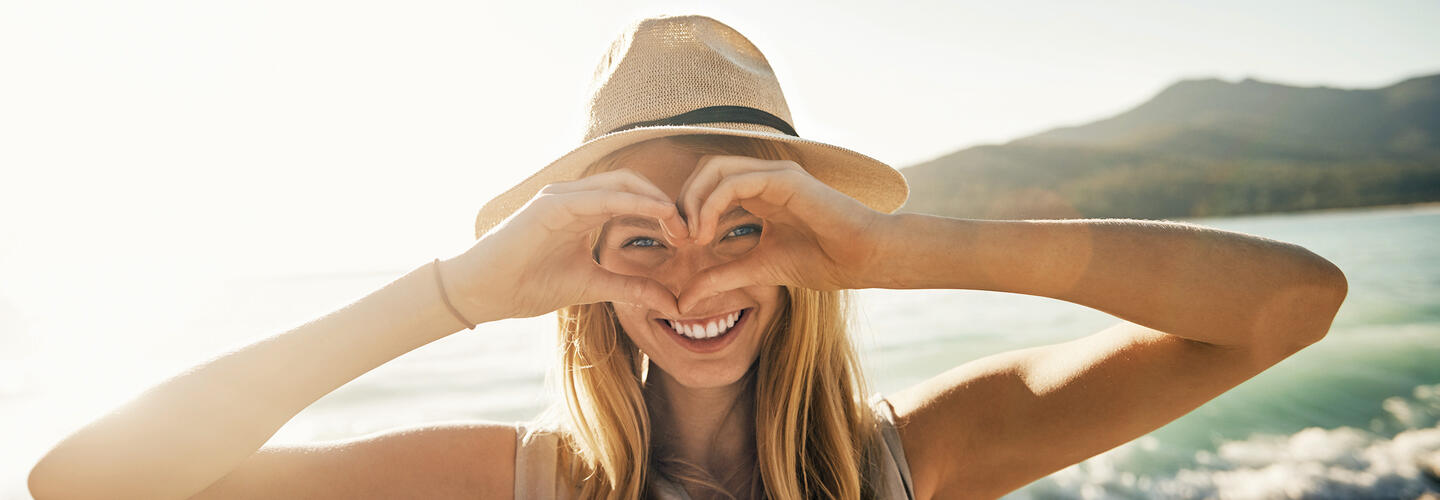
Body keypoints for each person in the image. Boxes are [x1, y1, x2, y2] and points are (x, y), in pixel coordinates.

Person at [28, 14, 1348, 500]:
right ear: (579, 270)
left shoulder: (918, 461)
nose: (691, 279)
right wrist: (456, 294)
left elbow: (1291, 305)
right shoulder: (520, 481)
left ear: (804, 249)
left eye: (744, 228)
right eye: (637, 237)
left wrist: (898, 253)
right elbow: (87, 482)